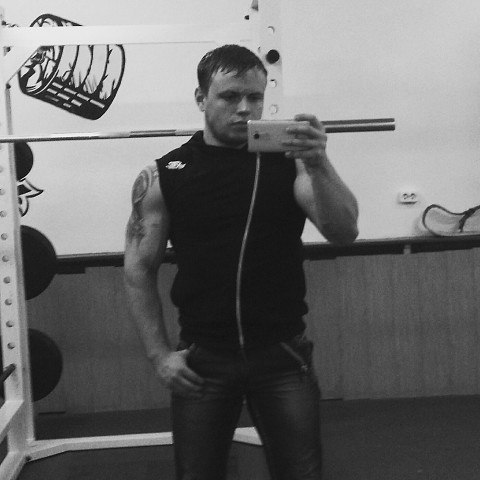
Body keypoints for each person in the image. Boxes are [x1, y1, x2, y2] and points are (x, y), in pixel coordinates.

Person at [124, 44, 358, 480]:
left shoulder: (292, 163)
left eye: (254, 96)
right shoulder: (165, 175)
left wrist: (319, 162)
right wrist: (159, 355)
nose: (245, 108)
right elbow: (139, 270)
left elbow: (344, 231)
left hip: (282, 355)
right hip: (203, 360)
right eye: (230, 97)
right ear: (201, 99)